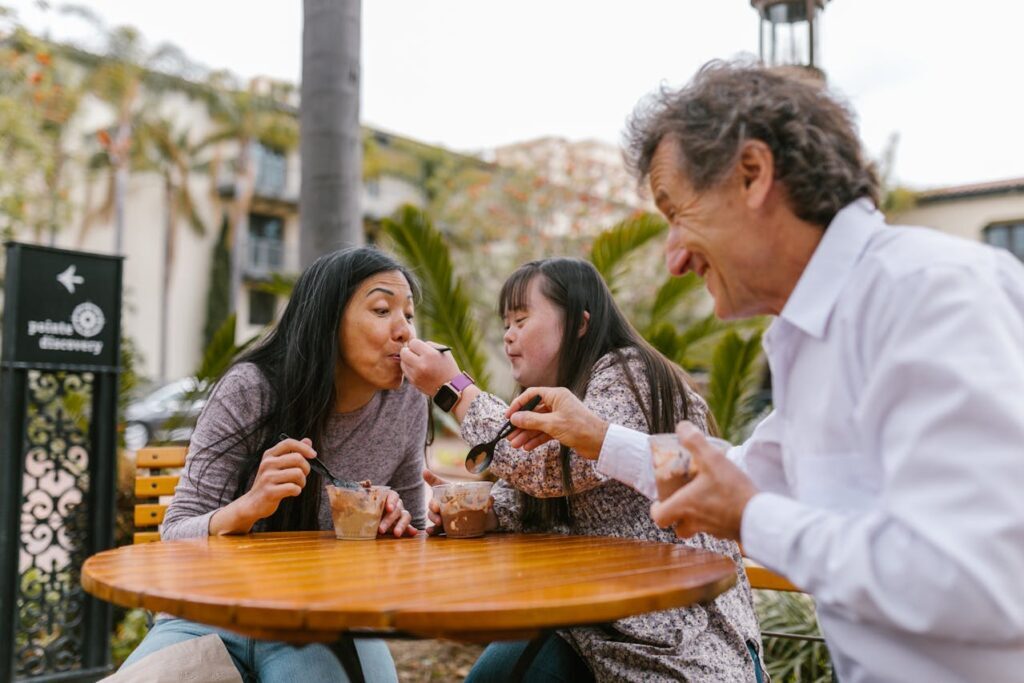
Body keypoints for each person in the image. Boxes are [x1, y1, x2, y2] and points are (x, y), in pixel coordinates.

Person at [503, 60, 1024, 682]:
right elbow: (752, 472)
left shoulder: (931, 294)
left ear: (752, 174)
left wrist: (751, 518)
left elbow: (981, 580)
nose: (673, 258)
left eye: (675, 212)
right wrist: (595, 435)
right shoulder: (816, 332)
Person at [400, 258, 764, 682]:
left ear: (579, 324)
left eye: (521, 319)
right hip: (590, 633)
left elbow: (556, 468)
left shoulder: (633, 376)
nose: (508, 335)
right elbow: (528, 497)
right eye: (505, 324)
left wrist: (454, 390)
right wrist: (479, 510)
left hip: (682, 641)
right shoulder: (551, 398)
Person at [120, 247, 429, 682]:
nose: (405, 332)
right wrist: (249, 506)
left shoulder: (407, 402)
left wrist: (395, 528)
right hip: (210, 611)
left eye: (409, 316)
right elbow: (174, 535)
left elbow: (417, 542)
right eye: (382, 309)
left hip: (326, 619)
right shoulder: (251, 390)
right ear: (328, 321)